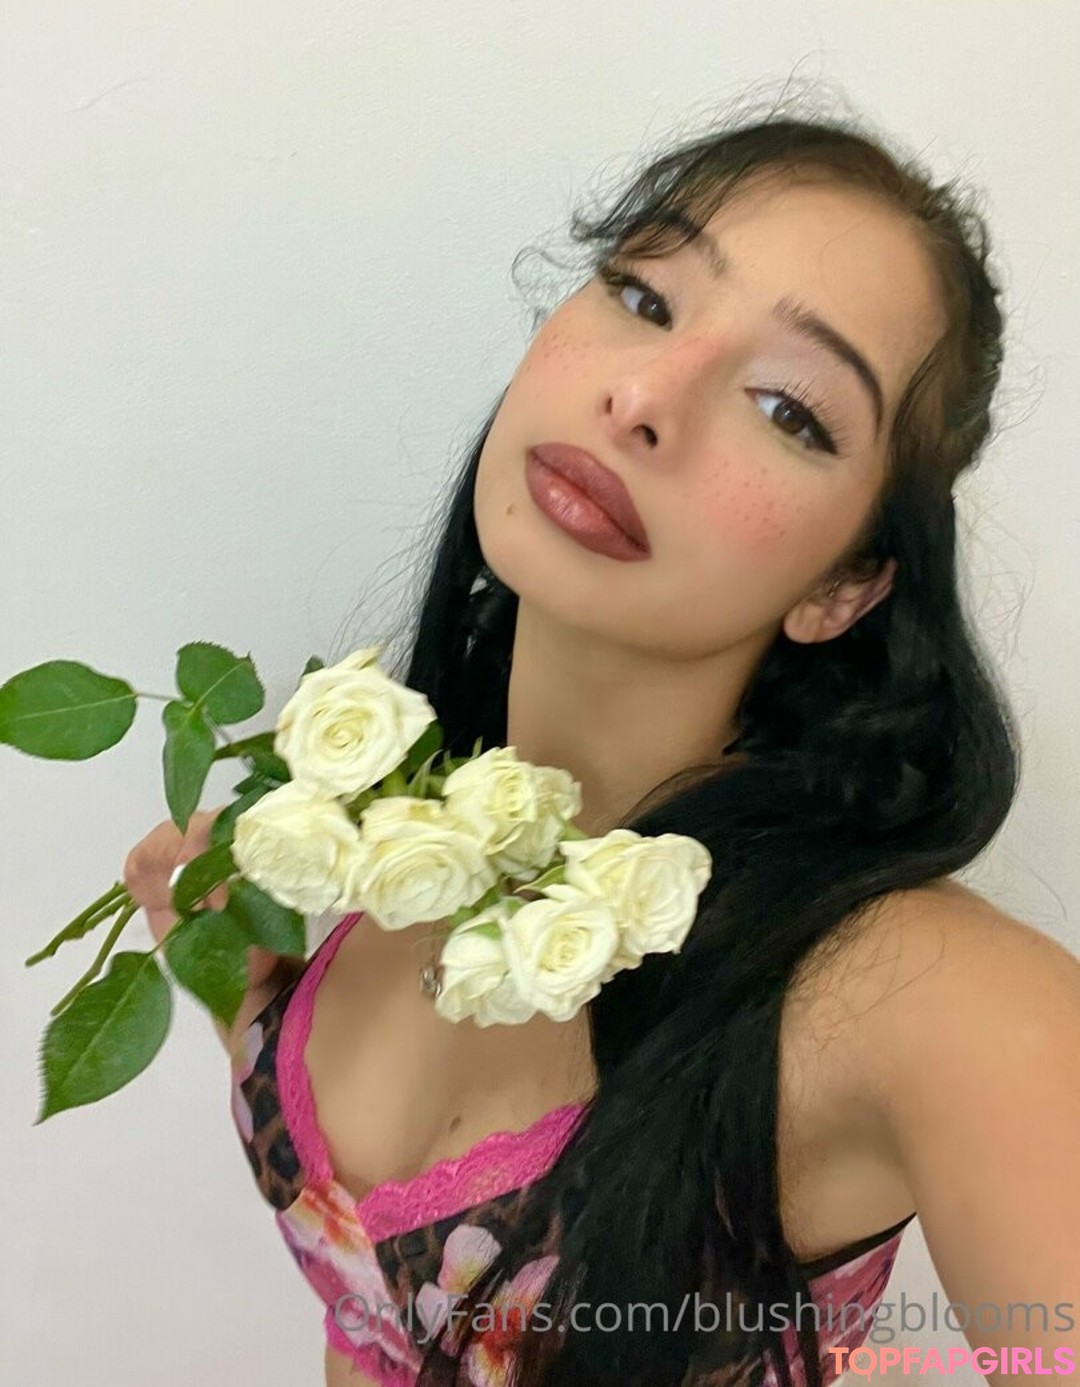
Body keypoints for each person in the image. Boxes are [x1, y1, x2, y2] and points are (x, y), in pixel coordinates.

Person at [122, 107, 1080, 1387]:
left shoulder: (940, 1009)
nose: (645, 397)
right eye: (643, 294)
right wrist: (248, 1000)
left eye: (789, 408)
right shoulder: (372, 833)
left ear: (846, 584)